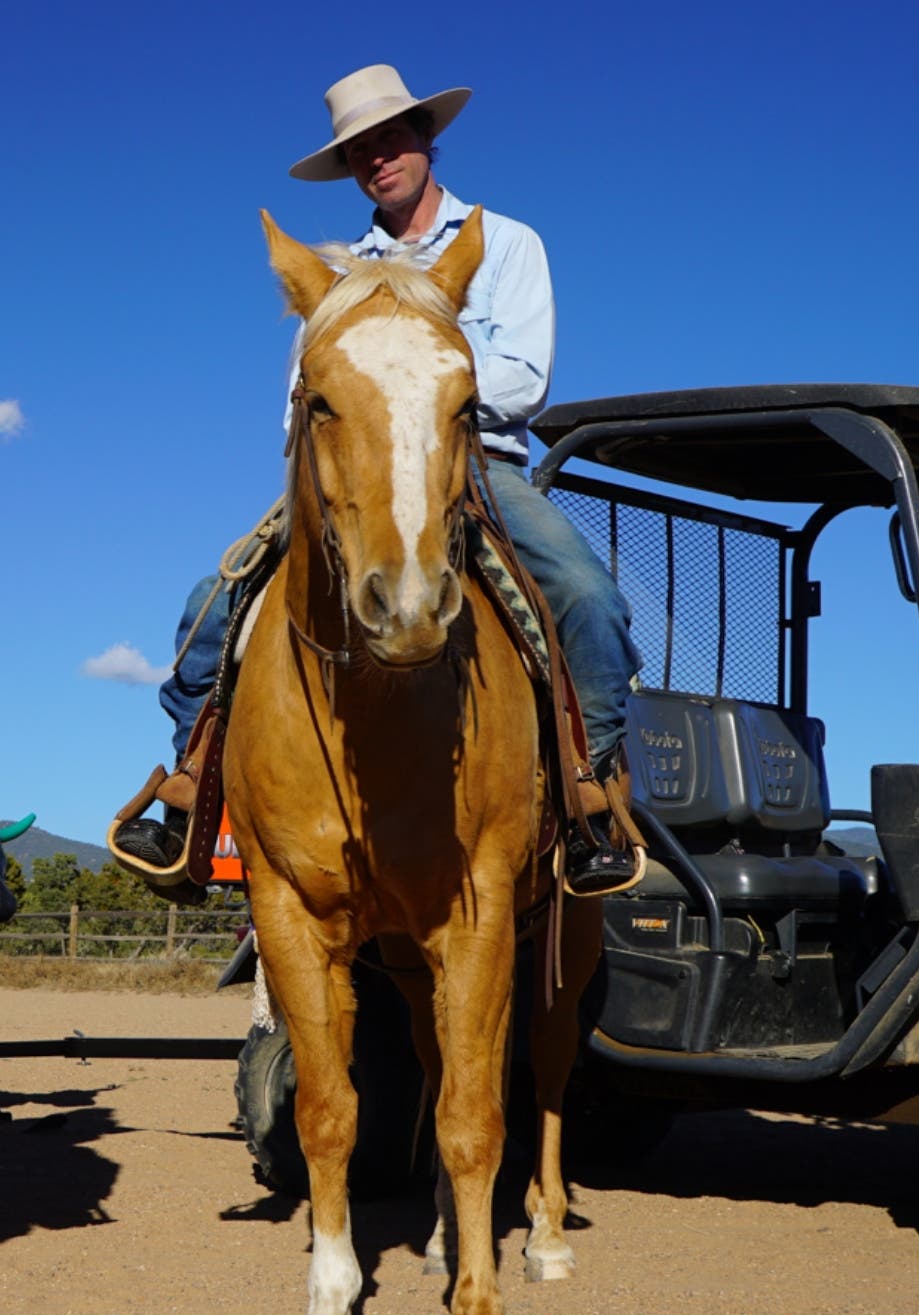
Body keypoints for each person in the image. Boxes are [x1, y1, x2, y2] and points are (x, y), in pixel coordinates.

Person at [110, 65, 642, 895]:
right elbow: (299, 401)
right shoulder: (335, 272)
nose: (377, 158)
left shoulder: (505, 244)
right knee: (208, 608)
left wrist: (415, 397)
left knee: (587, 598)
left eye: (390, 138)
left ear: (427, 140)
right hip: (349, 470)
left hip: (476, 460)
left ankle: (588, 799)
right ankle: (192, 796)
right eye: (360, 149)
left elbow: (526, 376)